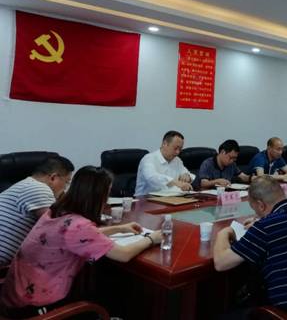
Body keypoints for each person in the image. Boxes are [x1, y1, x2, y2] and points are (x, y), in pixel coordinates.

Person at [0, 166, 162, 318]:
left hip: (15, 293)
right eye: (107, 193)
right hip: (34, 306)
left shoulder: (57, 211)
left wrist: (119, 229)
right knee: (108, 299)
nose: (107, 199)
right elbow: (123, 255)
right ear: (98, 195)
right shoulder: (78, 226)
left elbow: (75, 236)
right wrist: (152, 238)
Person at [213, 176, 287, 319]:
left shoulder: (265, 227)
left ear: (261, 205)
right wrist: (261, 222)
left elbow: (221, 263)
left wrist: (224, 232)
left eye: (254, 209)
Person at [0, 157, 74, 266]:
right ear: (54, 177)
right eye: (66, 182)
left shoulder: (27, 184)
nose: (65, 188)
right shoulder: (39, 189)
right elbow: (59, 227)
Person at [134, 130, 196, 196]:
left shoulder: (177, 160)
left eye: (180, 149)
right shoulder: (149, 159)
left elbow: (188, 174)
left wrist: (187, 176)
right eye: (175, 148)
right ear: (164, 144)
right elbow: (151, 178)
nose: (178, 152)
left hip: (170, 197)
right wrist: (175, 182)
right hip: (145, 199)